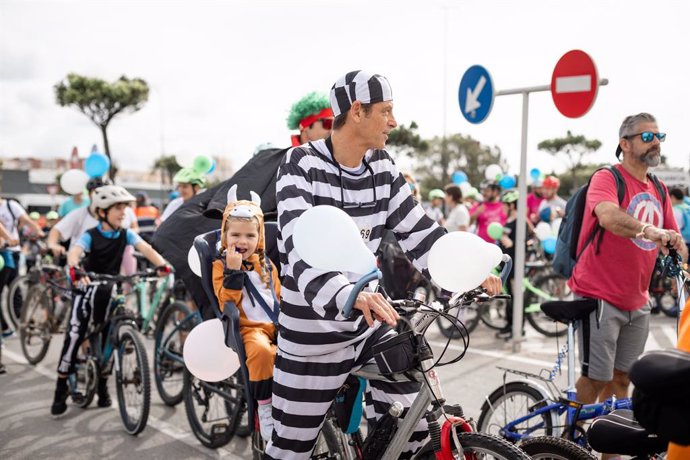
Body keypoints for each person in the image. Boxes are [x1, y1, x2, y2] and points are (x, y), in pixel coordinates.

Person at [267, 70, 501, 459]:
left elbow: (420, 231)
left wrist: (469, 268)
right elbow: (297, 246)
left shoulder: (383, 166)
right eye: (386, 111)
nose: (394, 121)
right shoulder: (300, 163)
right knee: (289, 450)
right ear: (356, 111)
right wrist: (347, 294)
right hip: (312, 337)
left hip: (369, 326)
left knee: (413, 417)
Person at [568, 113, 687, 415]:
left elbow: (674, 240)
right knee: (596, 378)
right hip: (599, 295)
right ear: (625, 143)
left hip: (638, 299)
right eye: (647, 137)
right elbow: (608, 216)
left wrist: (678, 252)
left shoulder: (658, 188)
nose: (656, 142)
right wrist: (648, 229)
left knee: (622, 380)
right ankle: (566, 444)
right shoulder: (608, 178)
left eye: (659, 136)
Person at [51, 185, 170, 416]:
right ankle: (60, 386)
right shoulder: (91, 235)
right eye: (117, 208)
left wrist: (162, 265)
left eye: (125, 207)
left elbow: (145, 248)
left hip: (110, 287)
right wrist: (74, 267)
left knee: (109, 336)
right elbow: (75, 252)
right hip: (89, 286)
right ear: (102, 212)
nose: (123, 212)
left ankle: (103, 386)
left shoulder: (126, 233)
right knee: (75, 335)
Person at [211, 187, 280, 442]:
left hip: (275, 323)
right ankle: (265, 406)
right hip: (248, 328)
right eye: (236, 234)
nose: (243, 241)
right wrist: (233, 272)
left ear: (259, 237)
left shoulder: (266, 264)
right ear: (225, 235)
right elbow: (225, 302)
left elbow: (278, 296)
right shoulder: (220, 265)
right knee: (263, 353)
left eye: (250, 235)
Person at [0, 197, 44, 333]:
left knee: (15, 290)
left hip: (10, 253)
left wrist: (38, 230)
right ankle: (9, 325)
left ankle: (20, 320)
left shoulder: (10, 205)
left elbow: (26, 219)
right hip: (6, 250)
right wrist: (7, 238)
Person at [47, 177, 116, 258]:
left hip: (109, 265)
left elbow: (131, 230)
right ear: (90, 194)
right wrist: (53, 244)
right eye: (97, 192)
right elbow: (56, 230)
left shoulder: (120, 214)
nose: (101, 197)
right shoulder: (78, 214)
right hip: (79, 264)